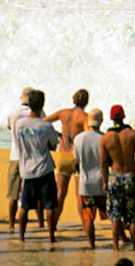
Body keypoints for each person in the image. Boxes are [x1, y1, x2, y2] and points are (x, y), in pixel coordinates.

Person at [99, 104, 135, 253]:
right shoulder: (133, 134)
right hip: (131, 177)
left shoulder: (105, 138)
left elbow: (102, 163)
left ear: (111, 118)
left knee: (115, 216)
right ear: (124, 116)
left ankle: (115, 247)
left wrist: (104, 181)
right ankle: (134, 247)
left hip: (115, 177)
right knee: (133, 216)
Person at [13, 88, 60, 244]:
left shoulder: (19, 124)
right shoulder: (45, 126)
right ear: (42, 105)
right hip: (44, 168)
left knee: (25, 206)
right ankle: (51, 236)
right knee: (49, 205)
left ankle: (21, 236)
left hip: (27, 169)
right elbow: (53, 145)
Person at [43, 88, 89, 222]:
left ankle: (53, 224)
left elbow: (44, 122)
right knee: (80, 196)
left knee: (60, 193)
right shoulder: (84, 117)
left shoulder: (63, 113)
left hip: (63, 156)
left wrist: (57, 134)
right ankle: (85, 225)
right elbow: (87, 134)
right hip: (77, 157)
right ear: (86, 102)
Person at [71, 108, 106, 248]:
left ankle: (92, 244)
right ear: (101, 121)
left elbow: (77, 160)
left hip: (86, 184)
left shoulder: (79, 138)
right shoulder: (104, 137)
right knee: (112, 215)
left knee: (88, 218)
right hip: (102, 182)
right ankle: (120, 238)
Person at [4, 88, 32, 231]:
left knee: (13, 193)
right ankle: (39, 223)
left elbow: (10, 127)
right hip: (32, 157)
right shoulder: (37, 112)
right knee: (33, 192)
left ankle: (11, 225)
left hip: (15, 155)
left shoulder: (13, 113)